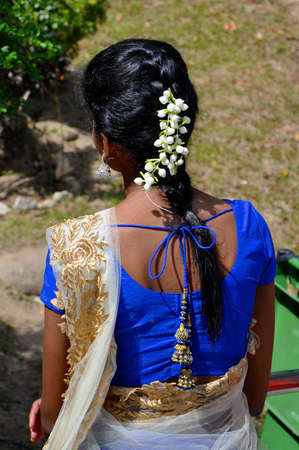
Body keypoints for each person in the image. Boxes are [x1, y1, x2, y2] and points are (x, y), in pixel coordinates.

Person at [29, 39, 276, 449]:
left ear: (106, 143)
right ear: (186, 125)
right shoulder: (249, 226)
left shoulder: (77, 249)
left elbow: (56, 417)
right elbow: (253, 400)